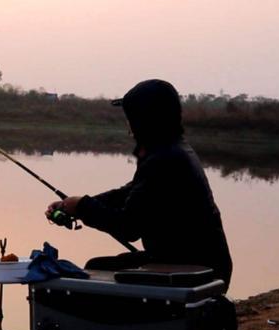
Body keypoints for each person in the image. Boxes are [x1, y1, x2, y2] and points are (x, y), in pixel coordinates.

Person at [45, 79, 233, 290]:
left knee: (97, 269)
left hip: (196, 270)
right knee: (99, 266)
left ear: (144, 120)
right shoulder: (173, 149)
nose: (129, 128)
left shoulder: (164, 159)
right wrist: (74, 206)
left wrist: (82, 207)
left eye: (130, 119)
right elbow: (130, 193)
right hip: (196, 263)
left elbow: (128, 227)